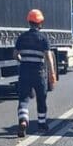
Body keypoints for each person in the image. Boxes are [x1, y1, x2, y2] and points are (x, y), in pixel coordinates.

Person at [16, 9, 53, 137]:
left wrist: (22, 60)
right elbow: (49, 57)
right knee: (41, 99)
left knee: (23, 99)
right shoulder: (43, 38)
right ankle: (42, 124)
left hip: (24, 72)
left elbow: (15, 54)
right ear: (40, 23)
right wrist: (52, 74)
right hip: (39, 73)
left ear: (29, 22)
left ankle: (23, 120)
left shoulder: (22, 37)